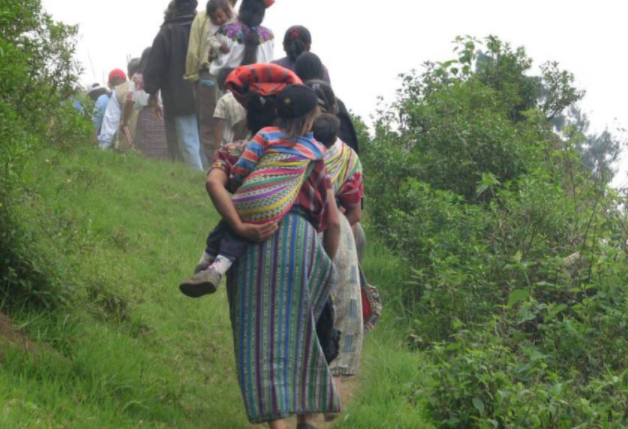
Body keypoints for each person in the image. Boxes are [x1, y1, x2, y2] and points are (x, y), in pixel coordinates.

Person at [203, 64, 341, 428]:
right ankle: (309, 415)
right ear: (309, 119)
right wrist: (326, 264)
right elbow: (334, 220)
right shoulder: (313, 152)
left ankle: (276, 424)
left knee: (259, 338)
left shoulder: (238, 149)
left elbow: (219, 184)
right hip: (301, 243)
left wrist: (239, 226)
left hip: (250, 242)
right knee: (301, 331)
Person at [180, 83, 327, 297]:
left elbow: (242, 166)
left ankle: (211, 264)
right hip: (276, 209)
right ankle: (212, 267)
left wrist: (238, 181)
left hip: (246, 198)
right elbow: (324, 208)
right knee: (244, 222)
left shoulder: (265, 135)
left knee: (229, 224)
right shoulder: (315, 149)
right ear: (309, 120)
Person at [145, 0, 206, 170]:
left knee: (188, 142)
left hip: (179, 95)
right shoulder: (204, 27)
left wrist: (152, 92)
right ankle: (212, 181)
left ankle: (198, 183)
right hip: (206, 91)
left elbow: (155, 65)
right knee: (206, 141)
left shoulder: (167, 31)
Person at [186, 0, 238, 163]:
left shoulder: (203, 17)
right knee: (232, 121)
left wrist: (193, 76)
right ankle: (232, 163)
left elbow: (193, 51)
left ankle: (212, 165)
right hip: (234, 77)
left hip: (207, 76)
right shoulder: (239, 19)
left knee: (208, 125)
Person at [296, 56, 360, 155]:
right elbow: (350, 142)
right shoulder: (335, 100)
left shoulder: (295, 100)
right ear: (321, 72)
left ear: (297, 74)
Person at [121, 47, 169, 160]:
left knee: (145, 151)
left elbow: (129, 100)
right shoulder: (165, 75)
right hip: (163, 116)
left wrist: (124, 121)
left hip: (145, 116)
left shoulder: (137, 78)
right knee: (163, 149)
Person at [208, 0, 275, 77]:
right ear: (262, 13)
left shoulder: (225, 31)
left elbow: (211, 56)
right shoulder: (269, 35)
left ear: (241, 8)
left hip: (226, 84)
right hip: (258, 86)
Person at [98, 64, 140, 150]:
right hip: (157, 146)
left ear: (129, 75)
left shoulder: (118, 92)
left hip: (127, 148)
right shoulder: (155, 88)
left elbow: (110, 123)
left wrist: (103, 149)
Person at [212, 68, 247, 146]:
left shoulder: (222, 101)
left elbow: (218, 125)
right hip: (247, 144)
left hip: (229, 146)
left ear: (220, 86)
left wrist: (217, 149)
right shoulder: (246, 97)